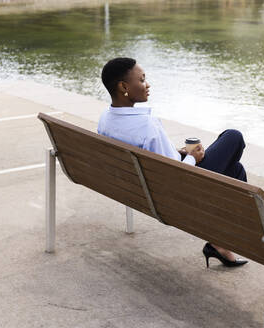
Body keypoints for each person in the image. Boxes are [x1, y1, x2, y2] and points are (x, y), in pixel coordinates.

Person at [98, 57, 248, 268]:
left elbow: (157, 157)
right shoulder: (147, 124)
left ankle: (221, 243)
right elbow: (173, 175)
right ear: (124, 86)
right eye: (141, 80)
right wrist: (192, 158)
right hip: (174, 195)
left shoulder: (105, 118)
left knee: (235, 169)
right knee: (233, 137)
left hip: (139, 189)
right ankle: (224, 238)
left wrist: (179, 153)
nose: (147, 85)